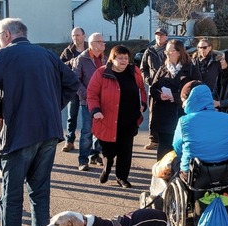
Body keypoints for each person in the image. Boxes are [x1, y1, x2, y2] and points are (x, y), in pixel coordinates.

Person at [0, 18, 79, 226]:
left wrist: (1, 112)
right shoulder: (47, 54)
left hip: (19, 134)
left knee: (11, 195)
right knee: (40, 193)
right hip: (48, 132)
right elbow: (73, 83)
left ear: (7, 35)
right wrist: (53, 107)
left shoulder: (4, 56)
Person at [87, 45, 147, 188]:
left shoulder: (134, 71)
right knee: (109, 150)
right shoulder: (101, 73)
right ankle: (107, 168)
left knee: (125, 151)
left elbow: (142, 89)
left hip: (129, 118)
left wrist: (143, 103)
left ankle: (122, 177)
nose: (124, 61)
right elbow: (91, 94)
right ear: (112, 58)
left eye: (126, 58)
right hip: (107, 118)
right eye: (120, 58)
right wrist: (95, 110)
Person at [149, 39, 202, 161]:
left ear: (179, 52)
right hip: (164, 116)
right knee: (164, 148)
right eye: (166, 50)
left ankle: (181, 174)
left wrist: (177, 97)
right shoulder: (163, 69)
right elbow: (153, 89)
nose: (167, 53)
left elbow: (198, 90)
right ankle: (162, 174)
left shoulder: (191, 69)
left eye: (170, 50)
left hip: (182, 115)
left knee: (181, 148)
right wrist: (159, 95)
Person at [173, 81, 228, 180]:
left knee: (174, 161)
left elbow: (177, 147)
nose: (182, 105)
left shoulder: (184, 121)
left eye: (183, 101)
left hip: (195, 173)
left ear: (189, 100)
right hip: (223, 171)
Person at [72, 32, 105, 171]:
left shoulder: (106, 59)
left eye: (103, 42)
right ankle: (83, 160)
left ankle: (95, 155)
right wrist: (87, 95)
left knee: (100, 131)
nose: (103, 44)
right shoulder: (81, 59)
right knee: (87, 131)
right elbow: (75, 81)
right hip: (88, 102)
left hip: (104, 102)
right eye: (100, 42)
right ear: (92, 44)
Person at [59, 27, 88, 153]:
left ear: (84, 36)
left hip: (87, 87)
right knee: (72, 116)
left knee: (88, 116)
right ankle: (69, 141)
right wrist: (73, 61)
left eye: (78, 35)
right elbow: (60, 66)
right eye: (73, 35)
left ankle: (91, 145)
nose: (75, 38)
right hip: (73, 88)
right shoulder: (68, 51)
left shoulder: (90, 49)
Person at [141, 28, 169, 150]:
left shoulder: (171, 49)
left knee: (168, 113)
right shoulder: (149, 51)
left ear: (166, 37)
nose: (159, 37)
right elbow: (143, 68)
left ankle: (167, 139)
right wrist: (148, 80)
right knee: (153, 113)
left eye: (162, 35)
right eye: (157, 35)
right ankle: (153, 139)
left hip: (168, 85)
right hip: (153, 87)